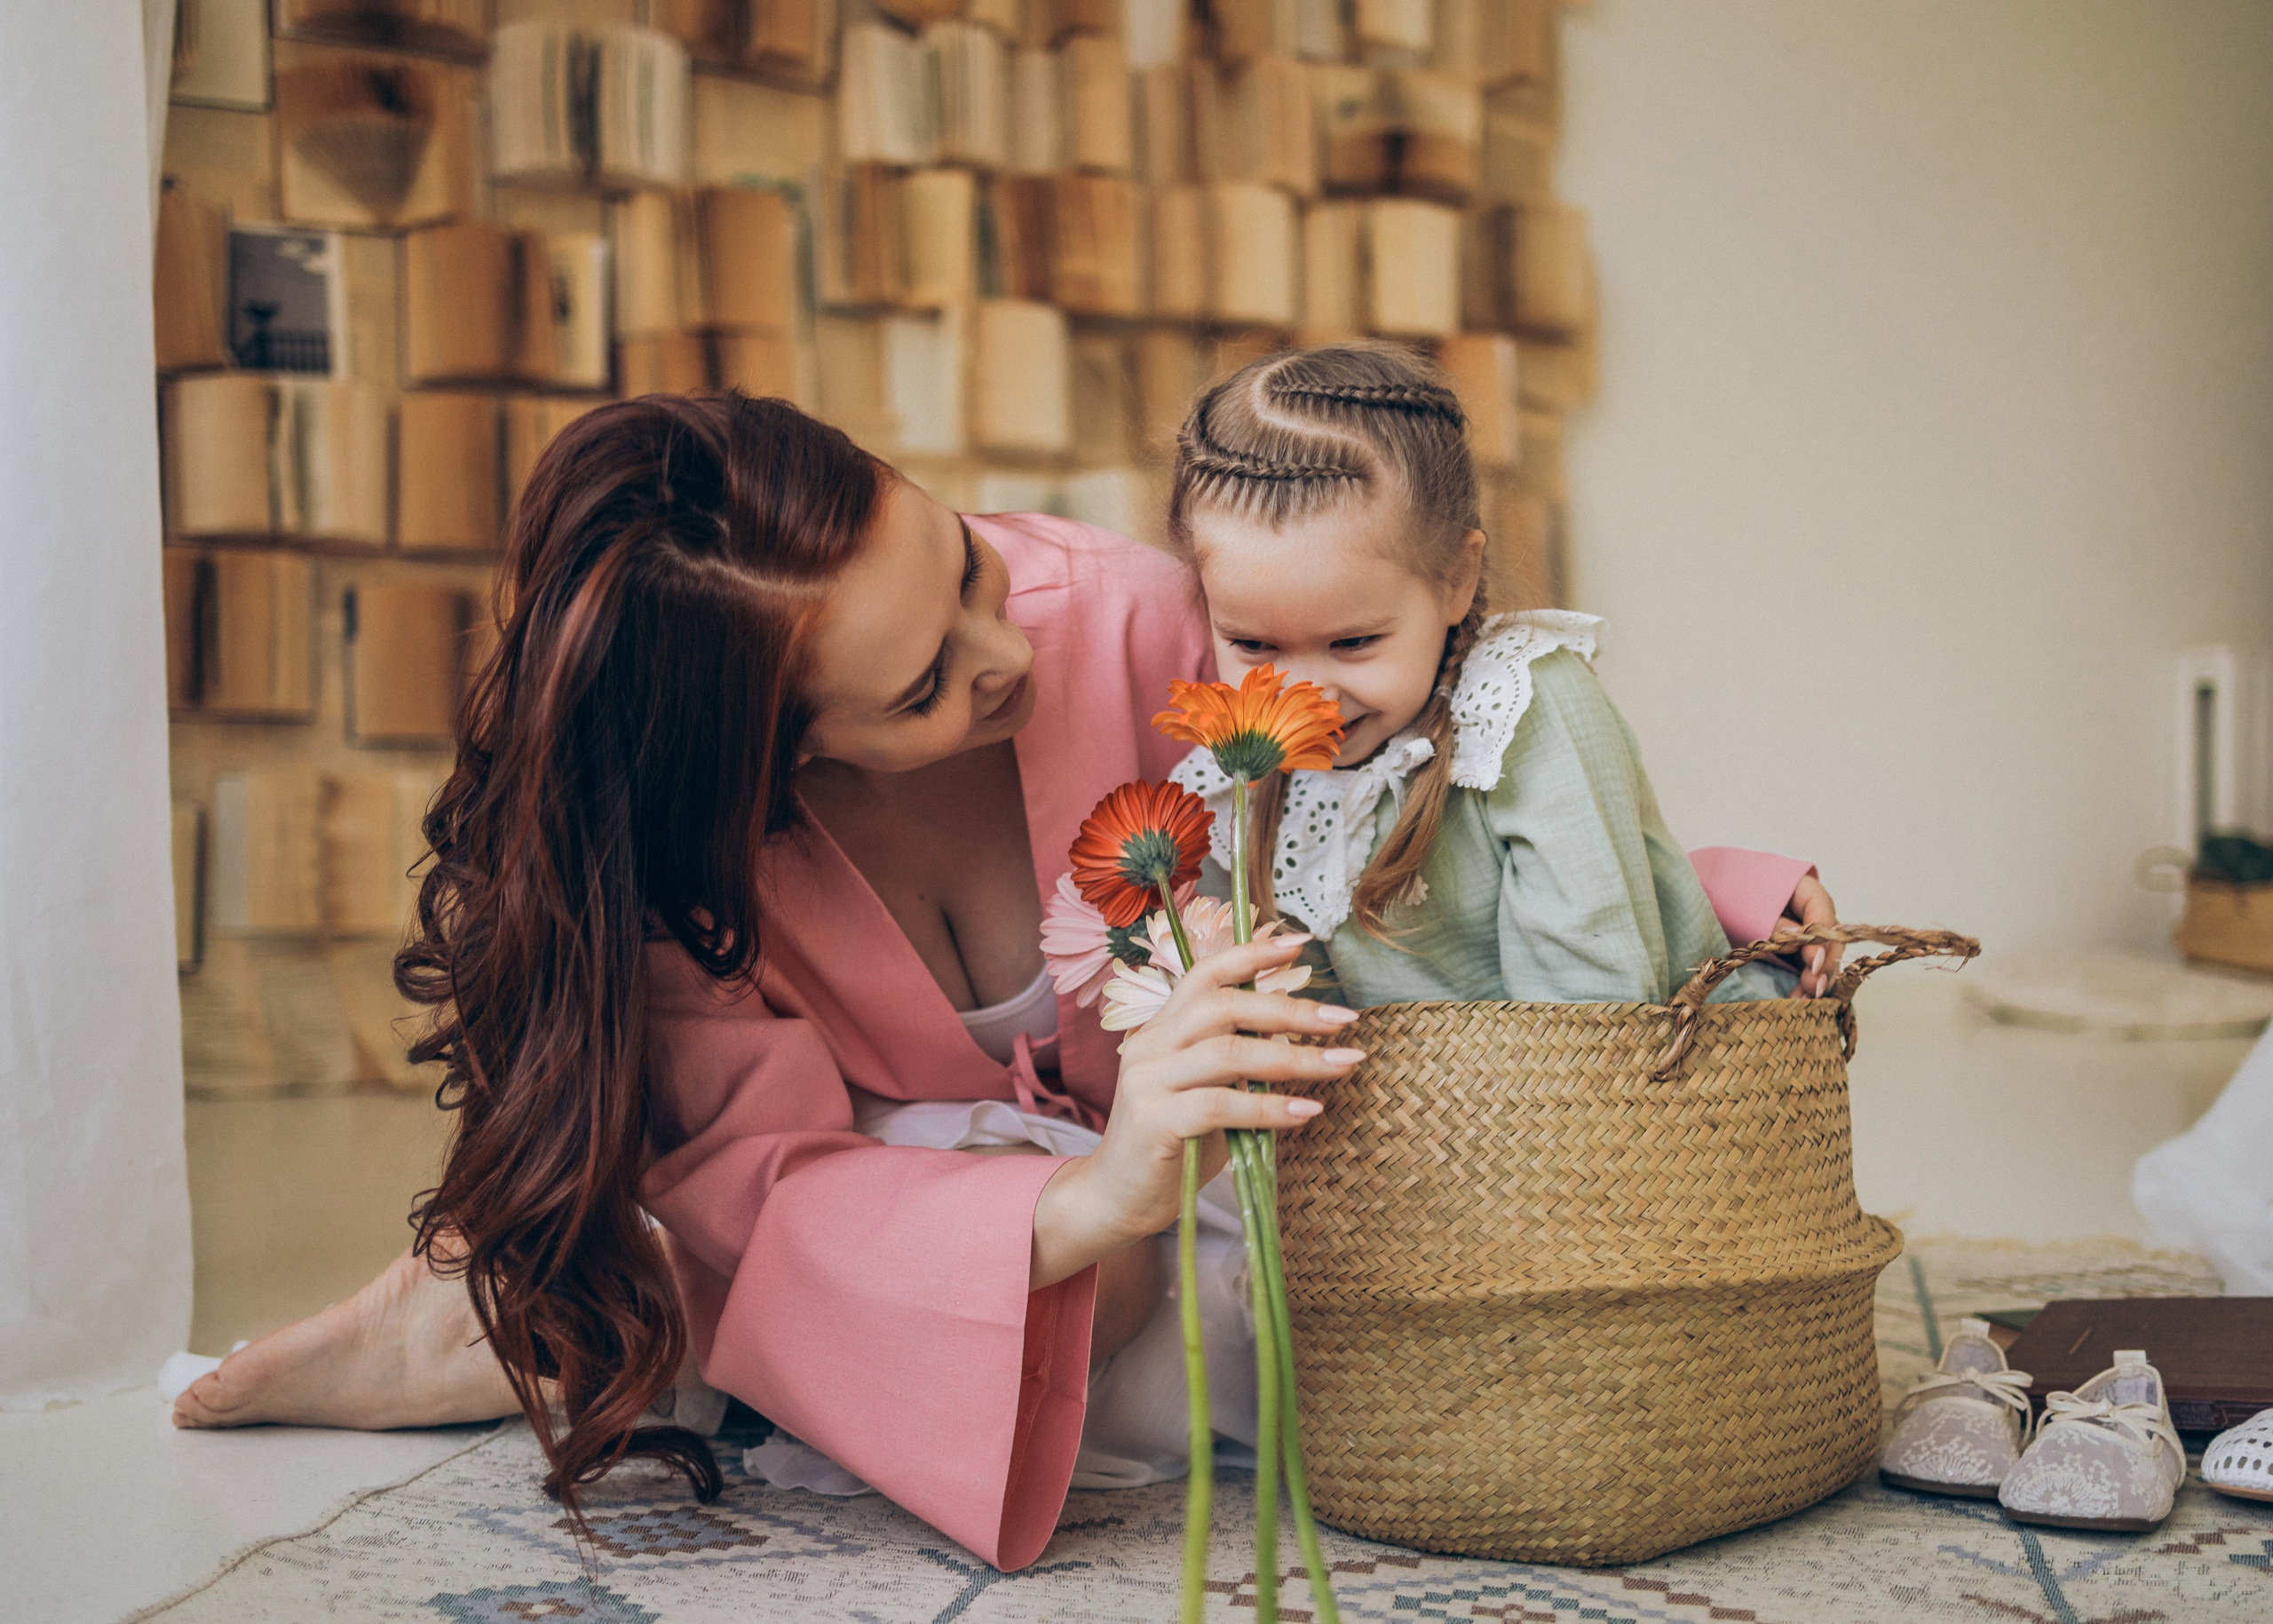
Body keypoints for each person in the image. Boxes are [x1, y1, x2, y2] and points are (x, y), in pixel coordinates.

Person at [170, 391, 1837, 1570]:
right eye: (918, 685)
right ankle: (568, 1297)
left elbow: (1412, 807)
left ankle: (602, 1308)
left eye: (962, 558)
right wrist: (1100, 1187)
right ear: (769, 769)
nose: (1006, 653)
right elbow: (770, 1178)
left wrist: (1713, 899)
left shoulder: (1127, 618)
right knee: (964, 1254)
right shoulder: (684, 871)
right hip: (953, 1204)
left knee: (1340, 1345)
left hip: (1214, 1183)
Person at [1160, 341, 1815, 1008]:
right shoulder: (1237, 784)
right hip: (1440, 1108)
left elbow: (1596, 1002)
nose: (1305, 697)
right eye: (1253, 644)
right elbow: (1284, 1015)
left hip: (1635, 1088)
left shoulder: (1517, 709)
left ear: (1456, 578)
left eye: (1354, 641)